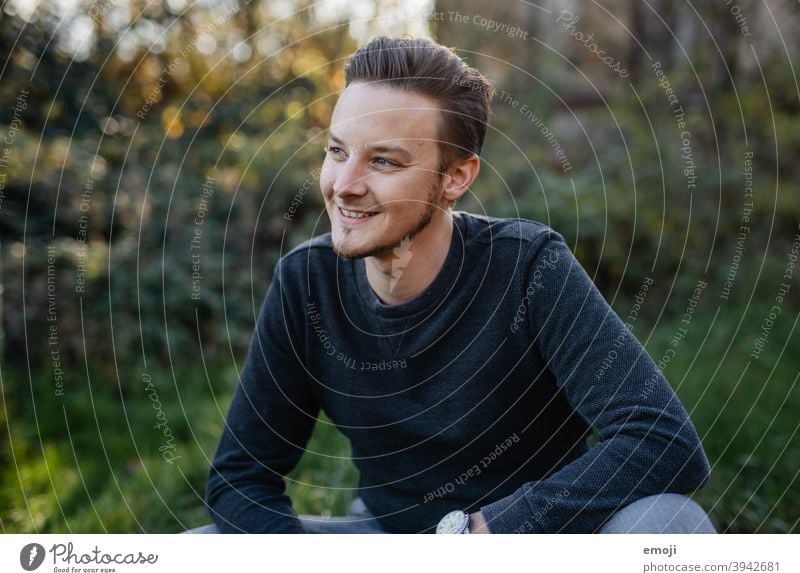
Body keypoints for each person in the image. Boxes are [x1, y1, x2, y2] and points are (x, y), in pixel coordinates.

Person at [194, 36, 715, 534]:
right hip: (387, 539)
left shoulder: (529, 268)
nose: (344, 185)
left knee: (672, 524)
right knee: (202, 548)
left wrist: (484, 535)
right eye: (336, 151)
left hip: (536, 541)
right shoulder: (305, 283)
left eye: (383, 161)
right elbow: (240, 478)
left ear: (456, 177)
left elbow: (662, 440)